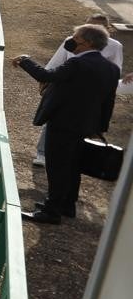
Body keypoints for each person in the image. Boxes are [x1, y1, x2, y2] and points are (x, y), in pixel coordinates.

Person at [12, 23, 119, 225]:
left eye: (75, 37)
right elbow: (108, 101)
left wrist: (25, 61)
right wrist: (99, 127)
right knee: (73, 165)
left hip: (63, 123)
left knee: (57, 166)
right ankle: (67, 205)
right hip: (85, 126)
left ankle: (51, 211)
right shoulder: (111, 69)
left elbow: (46, 76)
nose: (71, 40)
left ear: (86, 42)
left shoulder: (77, 64)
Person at [33, 14, 123, 166]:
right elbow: (56, 63)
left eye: (96, 27)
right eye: (88, 25)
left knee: (77, 129)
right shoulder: (72, 41)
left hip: (90, 95)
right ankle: (42, 153)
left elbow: (114, 71)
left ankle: (70, 159)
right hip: (65, 89)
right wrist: (45, 80)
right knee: (54, 119)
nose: (90, 29)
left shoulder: (115, 46)